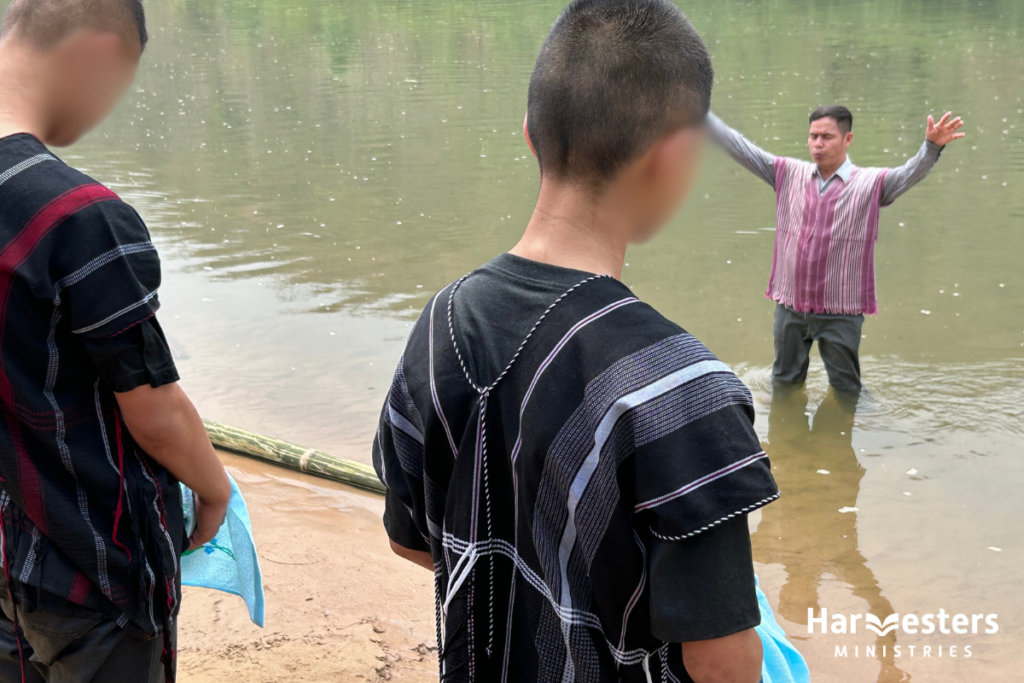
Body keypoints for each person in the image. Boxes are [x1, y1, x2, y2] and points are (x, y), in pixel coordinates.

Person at [373, 1, 788, 681]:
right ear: (674, 160)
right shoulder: (684, 390)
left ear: (531, 136)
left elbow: (410, 537)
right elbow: (723, 664)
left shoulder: (440, 323)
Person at [0, 1, 231, 681]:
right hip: (92, 568)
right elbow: (155, 412)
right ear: (95, 55)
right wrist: (213, 489)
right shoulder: (78, 217)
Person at [708, 105, 965, 395]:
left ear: (848, 139)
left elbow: (908, 175)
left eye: (827, 136)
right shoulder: (788, 173)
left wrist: (931, 147)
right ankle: (788, 437)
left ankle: (851, 433)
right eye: (813, 136)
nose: (818, 144)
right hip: (791, 305)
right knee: (784, 381)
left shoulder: (871, 183)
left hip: (841, 308)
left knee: (846, 388)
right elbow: (743, 150)